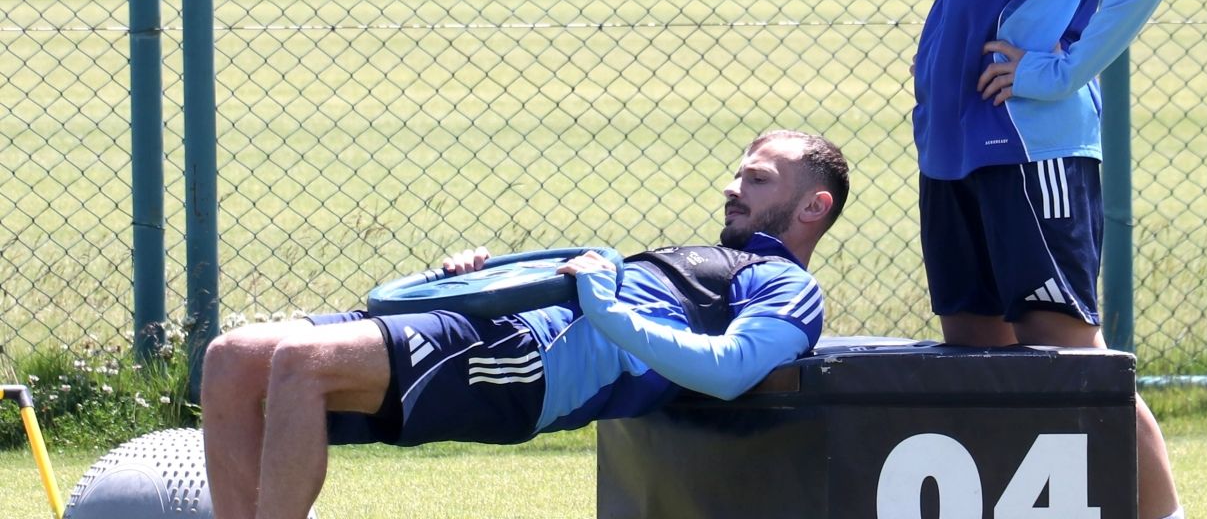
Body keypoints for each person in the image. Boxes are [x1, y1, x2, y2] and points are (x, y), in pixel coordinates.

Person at [201, 130, 849, 519]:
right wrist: (472, 283)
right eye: (737, 173)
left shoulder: (790, 287)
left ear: (812, 207)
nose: (731, 187)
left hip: (532, 363)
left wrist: (609, 310)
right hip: (497, 321)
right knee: (231, 357)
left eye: (756, 179)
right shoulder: (718, 258)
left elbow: (730, 371)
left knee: (302, 364)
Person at [911, 0, 1186, 518]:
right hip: (950, 140)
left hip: (1033, 142)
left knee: (1070, 366)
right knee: (978, 365)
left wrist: (1063, 69)